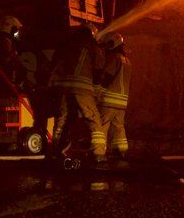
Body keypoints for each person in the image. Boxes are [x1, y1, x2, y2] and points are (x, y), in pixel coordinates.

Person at [49, 22, 106, 163]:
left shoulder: (67, 44)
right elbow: (99, 71)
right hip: (82, 88)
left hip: (63, 87)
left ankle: (55, 151)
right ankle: (98, 153)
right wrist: (97, 90)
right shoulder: (93, 47)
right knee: (94, 119)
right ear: (92, 34)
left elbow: (54, 62)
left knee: (62, 120)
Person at [98, 32, 132, 158]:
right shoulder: (127, 61)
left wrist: (98, 91)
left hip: (109, 100)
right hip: (122, 102)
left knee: (102, 125)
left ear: (112, 44)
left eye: (107, 45)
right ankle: (120, 151)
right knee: (118, 127)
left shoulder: (114, 57)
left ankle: (98, 152)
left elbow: (107, 76)